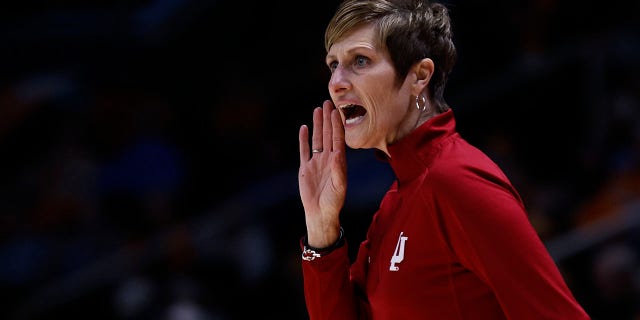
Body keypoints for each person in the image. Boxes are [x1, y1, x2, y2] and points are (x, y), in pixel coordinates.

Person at [296, 0, 591, 319]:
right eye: (333, 64)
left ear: (419, 76)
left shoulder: (458, 180)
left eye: (361, 60)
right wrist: (322, 229)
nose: (336, 83)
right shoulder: (396, 203)